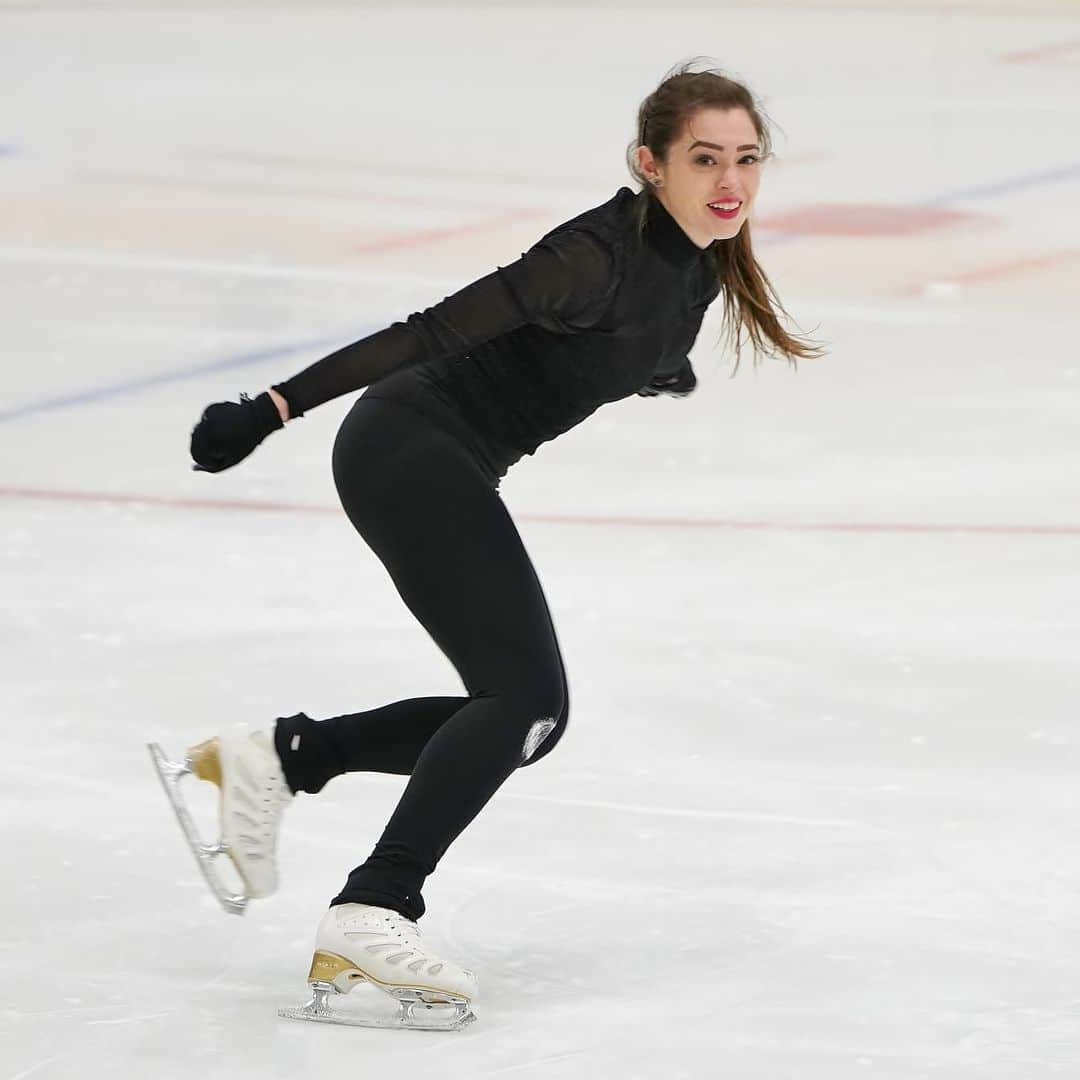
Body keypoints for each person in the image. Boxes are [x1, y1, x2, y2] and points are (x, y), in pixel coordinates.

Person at [163, 61, 821, 1029]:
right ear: (651, 163)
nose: (732, 181)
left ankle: (286, 757)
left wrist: (654, 372)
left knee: (529, 719)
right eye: (705, 158)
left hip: (446, 458)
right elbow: (427, 332)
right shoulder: (589, 256)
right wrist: (270, 408)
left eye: (748, 159)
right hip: (407, 447)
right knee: (524, 699)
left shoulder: (707, 258)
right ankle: (374, 904)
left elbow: (639, 334)